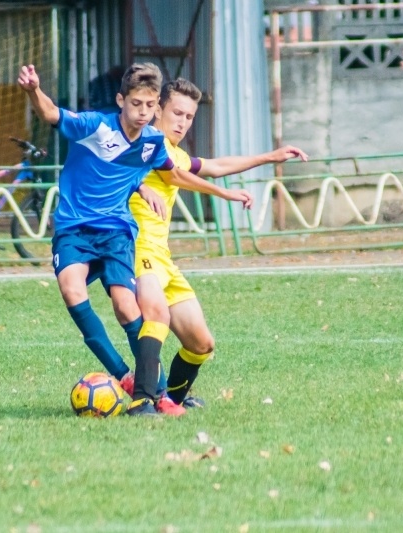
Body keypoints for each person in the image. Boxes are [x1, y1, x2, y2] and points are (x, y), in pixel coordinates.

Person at [17, 63, 253, 416]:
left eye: (149, 105)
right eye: (136, 104)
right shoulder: (96, 126)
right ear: (121, 100)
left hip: (117, 232)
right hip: (75, 227)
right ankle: (125, 377)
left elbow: (174, 174)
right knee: (71, 290)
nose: (143, 113)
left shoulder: (153, 143)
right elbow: (51, 113)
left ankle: (158, 395)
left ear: (155, 104)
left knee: (127, 307)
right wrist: (33, 89)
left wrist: (153, 187)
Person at [124, 78, 308, 411]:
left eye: (189, 117)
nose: (182, 122)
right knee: (157, 316)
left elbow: (215, 166)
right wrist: (225, 195)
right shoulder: (148, 145)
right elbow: (175, 177)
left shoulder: (176, 153)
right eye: (177, 113)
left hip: (162, 257)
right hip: (138, 249)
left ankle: (171, 401)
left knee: (200, 342)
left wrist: (270, 156)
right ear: (157, 111)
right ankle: (143, 401)